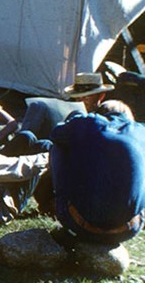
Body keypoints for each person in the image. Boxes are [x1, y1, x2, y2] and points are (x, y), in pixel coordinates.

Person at [51, 73, 145, 245]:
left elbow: (55, 134)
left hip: (81, 225)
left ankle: (60, 204)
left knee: (58, 146)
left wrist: (74, 121)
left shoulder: (86, 122)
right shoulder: (140, 131)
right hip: (129, 229)